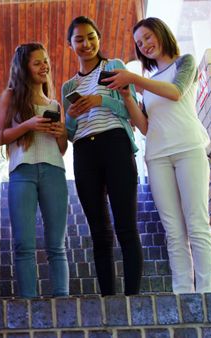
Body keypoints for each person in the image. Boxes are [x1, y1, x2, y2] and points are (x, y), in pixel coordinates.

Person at [106, 17, 211, 293]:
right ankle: (183, 294)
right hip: (157, 156)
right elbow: (144, 126)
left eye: (147, 37)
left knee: (197, 223)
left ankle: (205, 294)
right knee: (173, 231)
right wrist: (129, 96)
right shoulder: (149, 84)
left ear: (161, 33)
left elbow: (176, 92)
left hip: (189, 149)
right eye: (139, 44)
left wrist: (133, 78)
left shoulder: (184, 63)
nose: (144, 45)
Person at [62, 16, 143, 296]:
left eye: (91, 36)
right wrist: (70, 118)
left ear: (99, 37)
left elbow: (128, 111)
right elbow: (71, 134)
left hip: (115, 143)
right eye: (79, 39)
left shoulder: (114, 67)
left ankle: (133, 297)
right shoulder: (68, 87)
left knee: (126, 225)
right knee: (99, 230)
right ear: (70, 44)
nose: (86, 43)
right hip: (84, 151)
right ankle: (108, 298)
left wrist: (100, 100)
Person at [0, 43, 69, 298]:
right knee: (24, 244)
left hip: (54, 170)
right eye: (37, 62)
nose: (44, 66)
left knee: (57, 245)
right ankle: (28, 302)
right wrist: (28, 124)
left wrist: (61, 134)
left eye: (45, 61)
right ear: (24, 67)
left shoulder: (54, 103)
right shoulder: (11, 96)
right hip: (21, 171)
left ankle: (63, 300)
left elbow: (61, 149)